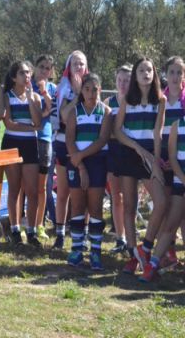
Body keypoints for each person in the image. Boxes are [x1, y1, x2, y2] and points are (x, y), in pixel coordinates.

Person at [114, 57, 167, 276]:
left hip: (149, 157)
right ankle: (132, 256)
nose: (145, 73)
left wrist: (154, 161)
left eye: (149, 70)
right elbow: (117, 131)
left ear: (154, 74)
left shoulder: (160, 100)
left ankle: (145, 249)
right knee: (130, 206)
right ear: (135, 75)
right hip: (129, 153)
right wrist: (137, 148)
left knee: (161, 202)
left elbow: (158, 133)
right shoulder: (127, 99)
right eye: (141, 70)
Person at [65, 73, 112, 270]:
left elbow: (102, 140)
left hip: (97, 162)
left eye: (95, 89)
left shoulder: (106, 112)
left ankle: (95, 252)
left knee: (95, 207)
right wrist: (80, 165)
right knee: (77, 205)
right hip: (77, 163)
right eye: (87, 89)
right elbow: (69, 139)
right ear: (81, 91)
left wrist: (81, 156)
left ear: (100, 90)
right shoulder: (74, 112)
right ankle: (76, 250)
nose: (91, 93)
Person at [140, 105, 185, 281]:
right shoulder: (177, 125)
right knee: (170, 225)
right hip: (179, 182)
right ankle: (152, 263)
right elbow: (172, 158)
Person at [2, 60, 43, 247]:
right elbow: (9, 123)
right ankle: (15, 229)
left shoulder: (34, 97)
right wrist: (29, 127)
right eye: (22, 73)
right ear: (13, 77)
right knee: (14, 188)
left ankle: (32, 231)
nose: (26, 76)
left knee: (33, 190)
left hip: (30, 145)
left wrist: (29, 98)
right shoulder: (7, 96)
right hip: (12, 142)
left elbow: (38, 123)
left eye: (28, 73)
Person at [52, 51, 89, 249]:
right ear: (69, 67)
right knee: (64, 190)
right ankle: (59, 234)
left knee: (84, 189)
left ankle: (82, 235)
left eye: (82, 64)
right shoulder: (64, 89)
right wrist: (77, 96)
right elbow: (65, 116)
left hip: (84, 144)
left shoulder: (91, 87)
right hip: (63, 142)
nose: (78, 67)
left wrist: (83, 91)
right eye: (75, 64)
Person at [103, 63, 132, 254]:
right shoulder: (108, 102)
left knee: (130, 197)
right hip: (112, 151)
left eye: (127, 80)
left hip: (129, 151)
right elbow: (106, 132)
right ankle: (120, 238)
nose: (122, 84)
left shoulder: (136, 103)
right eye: (120, 80)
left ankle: (131, 239)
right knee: (116, 196)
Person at [32, 54, 57, 242]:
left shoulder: (52, 89)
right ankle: (27, 223)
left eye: (48, 68)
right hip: (28, 137)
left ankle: (40, 224)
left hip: (45, 138)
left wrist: (44, 93)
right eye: (41, 66)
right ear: (35, 67)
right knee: (27, 185)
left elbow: (52, 111)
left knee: (43, 186)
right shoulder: (26, 85)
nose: (44, 71)